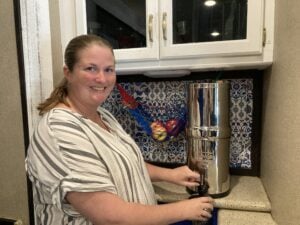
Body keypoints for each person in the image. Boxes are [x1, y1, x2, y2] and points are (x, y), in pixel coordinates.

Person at [25, 34, 214, 225]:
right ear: (68, 73)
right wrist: (183, 209)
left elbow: (125, 164)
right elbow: (109, 217)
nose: (102, 78)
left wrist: (170, 175)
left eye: (109, 70)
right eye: (91, 68)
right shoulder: (60, 130)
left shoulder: (104, 116)